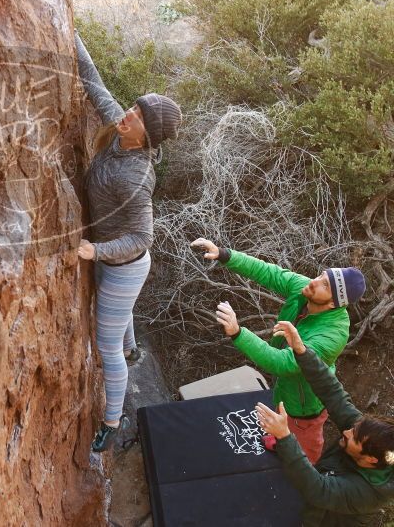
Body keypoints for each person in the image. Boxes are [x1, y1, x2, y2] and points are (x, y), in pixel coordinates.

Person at [75, 30, 182, 452]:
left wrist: (96, 251)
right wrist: (72, 33)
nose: (129, 113)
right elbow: (92, 80)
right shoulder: (119, 128)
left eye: (137, 116)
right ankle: (135, 348)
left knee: (106, 347)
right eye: (135, 106)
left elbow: (141, 237)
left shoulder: (136, 175)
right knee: (121, 327)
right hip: (114, 259)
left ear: (146, 137)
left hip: (123, 265)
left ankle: (112, 419)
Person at [192, 237, 366, 464]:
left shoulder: (333, 334)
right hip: (285, 389)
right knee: (282, 413)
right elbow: (269, 272)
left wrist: (237, 332)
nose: (315, 281)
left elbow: (283, 363)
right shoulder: (306, 290)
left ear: (334, 303)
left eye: (325, 285)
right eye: (322, 275)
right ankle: (281, 438)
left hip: (306, 403)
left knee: (305, 437)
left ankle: (309, 467)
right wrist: (225, 254)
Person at [256, 320, 394, 526]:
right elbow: (332, 392)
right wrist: (302, 351)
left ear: (372, 460)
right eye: (353, 428)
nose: (346, 432)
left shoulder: (369, 493)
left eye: (353, 437)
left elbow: (318, 489)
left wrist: (284, 436)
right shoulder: (362, 432)